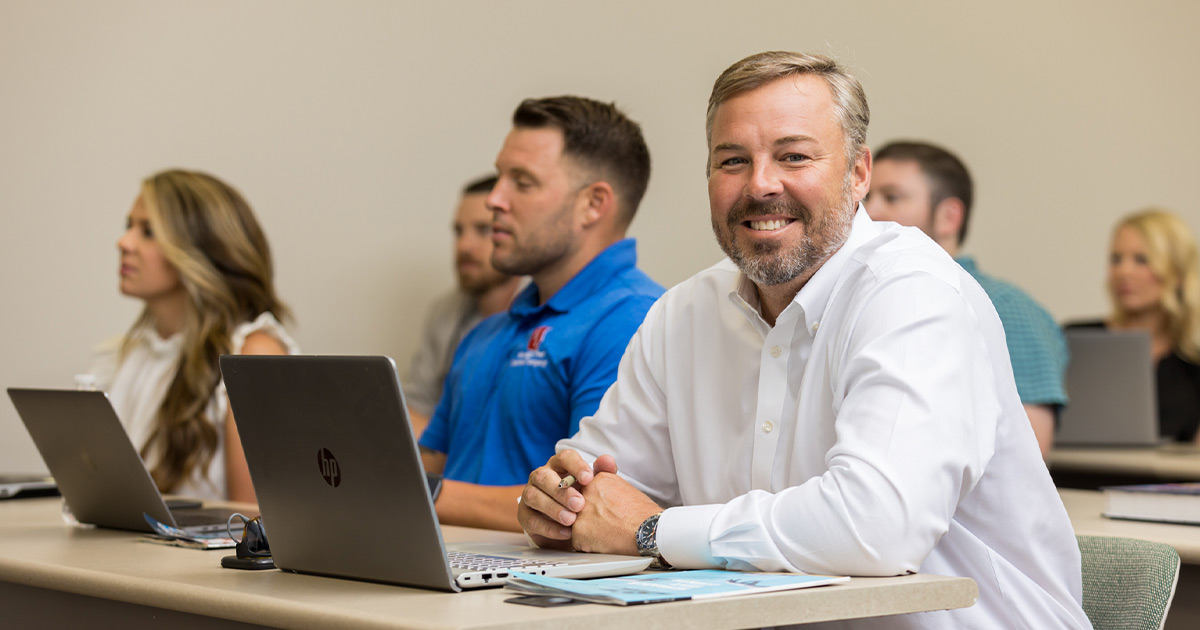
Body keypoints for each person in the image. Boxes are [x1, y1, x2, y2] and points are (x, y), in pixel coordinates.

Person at [517, 52, 1089, 629]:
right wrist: (558, 502)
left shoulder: (914, 294)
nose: (761, 184)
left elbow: (876, 528)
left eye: (794, 156)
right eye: (733, 160)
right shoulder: (683, 313)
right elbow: (595, 481)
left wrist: (651, 532)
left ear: (858, 174)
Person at [418, 96, 665, 532]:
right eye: (499, 178)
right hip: (443, 571)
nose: (495, 199)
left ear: (593, 204)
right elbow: (431, 463)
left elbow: (585, 504)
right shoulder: (488, 331)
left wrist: (423, 493)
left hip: (532, 592)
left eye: (523, 182)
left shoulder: (638, 322)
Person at [87, 169, 298, 503]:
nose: (124, 242)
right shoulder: (127, 355)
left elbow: (257, 527)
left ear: (202, 252)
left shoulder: (254, 355)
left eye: (149, 231)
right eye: (129, 226)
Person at [864, 141, 1068, 458]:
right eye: (865, 196)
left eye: (892, 197)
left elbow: (1025, 456)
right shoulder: (866, 298)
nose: (869, 211)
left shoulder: (1010, 310)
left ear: (948, 217)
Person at [403, 175, 524, 437]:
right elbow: (416, 405)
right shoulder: (446, 311)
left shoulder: (544, 311)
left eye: (483, 230)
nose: (464, 246)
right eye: (459, 231)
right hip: (449, 465)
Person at [1069, 208, 1200, 442]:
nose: (1123, 272)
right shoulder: (1074, 342)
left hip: (1169, 479)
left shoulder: (1192, 367)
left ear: (1177, 273)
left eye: (1142, 260)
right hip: (1076, 476)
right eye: (1116, 259)